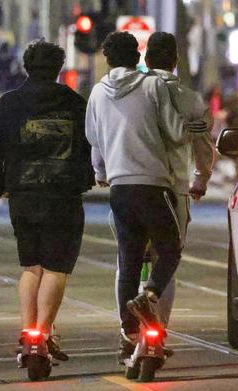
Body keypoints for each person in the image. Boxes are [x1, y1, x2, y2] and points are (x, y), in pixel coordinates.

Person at [85, 31, 200, 362]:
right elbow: (175, 133)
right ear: (138, 57)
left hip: (119, 188)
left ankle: (129, 333)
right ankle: (150, 296)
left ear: (108, 60)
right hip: (154, 185)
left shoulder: (97, 93)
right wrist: (195, 127)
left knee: (129, 260)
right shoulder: (153, 87)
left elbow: (95, 138)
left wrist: (102, 173)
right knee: (170, 250)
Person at [0, 39, 94, 362]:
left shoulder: (8, 105)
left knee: (31, 267)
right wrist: (85, 179)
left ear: (25, 67)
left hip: (23, 196)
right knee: (56, 268)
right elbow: (90, 149)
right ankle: (42, 336)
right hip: (64, 197)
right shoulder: (75, 104)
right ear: (59, 69)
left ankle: (28, 334)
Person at [138, 32, 215, 328]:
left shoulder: (135, 94)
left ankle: (129, 330)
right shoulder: (189, 99)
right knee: (166, 261)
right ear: (176, 62)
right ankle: (158, 330)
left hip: (135, 185)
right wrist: (201, 179)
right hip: (176, 189)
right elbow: (203, 145)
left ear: (146, 60)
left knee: (131, 259)